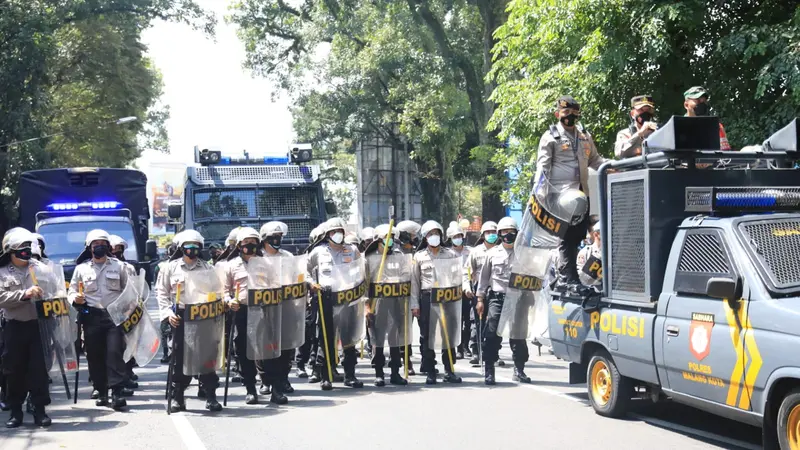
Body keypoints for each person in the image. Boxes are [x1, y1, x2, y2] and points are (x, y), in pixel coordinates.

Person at [534, 95, 605, 292]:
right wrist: (540, 194)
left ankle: (572, 277)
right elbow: (542, 167)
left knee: (577, 237)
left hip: (581, 196)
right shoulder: (550, 137)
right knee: (565, 238)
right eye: (566, 113)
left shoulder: (584, 136)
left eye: (574, 113)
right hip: (560, 196)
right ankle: (567, 278)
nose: (570, 116)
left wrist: (612, 167)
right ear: (558, 114)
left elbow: (596, 160)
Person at [157, 230, 224, 413]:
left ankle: (210, 395)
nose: (192, 249)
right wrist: (166, 314)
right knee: (179, 357)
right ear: (181, 247)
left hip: (204, 316)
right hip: (180, 316)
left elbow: (218, 292)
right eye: (188, 246)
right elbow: (162, 293)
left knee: (207, 357)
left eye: (196, 246)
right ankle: (178, 396)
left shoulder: (208, 268)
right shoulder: (170, 268)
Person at [68, 229, 130, 410]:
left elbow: (129, 292)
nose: (99, 247)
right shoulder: (81, 269)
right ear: (89, 248)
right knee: (94, 355)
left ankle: (117, 391)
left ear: (108, 247)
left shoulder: (119, 267)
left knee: (114, 353)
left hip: (114, 317)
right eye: (96, 245)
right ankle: (101, 390)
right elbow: (71, 291)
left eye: (103, 244)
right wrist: (75, 298)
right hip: (91, 317)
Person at [307, 218, 364, 390]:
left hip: (348, 298)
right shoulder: (318, 252)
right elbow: (306, 271)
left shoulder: (353, 250)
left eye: (340, 231)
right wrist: (311, 284)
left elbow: (361, 271)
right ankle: (326, 376)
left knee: (349, 339)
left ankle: (350, 375)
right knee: (327, 339)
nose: (338, 234)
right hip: (327, 298)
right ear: (327, 234)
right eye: (334, 232)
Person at [0, 229, 49, 427]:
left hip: (39, 327)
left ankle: (40, 411)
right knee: (14, 371)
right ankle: (15, 412)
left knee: (38, 371)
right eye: (22, 247)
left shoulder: (41, 269)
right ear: (11, 250)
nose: (26, 250)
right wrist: (24, 294)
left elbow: (56, 293)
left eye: (28, 247)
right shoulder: (2, 273)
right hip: (14, 328)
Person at [476, 217, 531, 385]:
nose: (508, 234)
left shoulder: (524, 253)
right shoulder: (492, 254)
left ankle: (519, 369)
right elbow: (484, 279)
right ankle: (489, 370)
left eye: (512, 231)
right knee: (492, 334)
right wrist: (480, 299)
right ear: (500, 234)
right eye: (505, 232)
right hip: (497, 299)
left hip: (518, 299)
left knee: (519, 335)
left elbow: (531, 275)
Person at [412, 220, 462, 385]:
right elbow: (415, 283)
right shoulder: (419, 257)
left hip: (447, 298)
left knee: (448, 335)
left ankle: (449, 370)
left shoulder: (451, 255)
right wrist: (415, 305)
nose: (434, 237)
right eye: (430, 234)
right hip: (427, 298)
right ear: (425, 238)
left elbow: (456, 279)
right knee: (428, 336)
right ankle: (431, 370)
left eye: (437, 233)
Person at [364, 224, 409, 387]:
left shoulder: (400, 256)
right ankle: (379, 373)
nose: (389, 241)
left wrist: (396, 280)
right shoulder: (368, 259)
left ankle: (395, 372)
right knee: (378, 339)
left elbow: (406, 274)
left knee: (395, 338)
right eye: (386, 238)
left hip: (396, 302)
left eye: (391, 238)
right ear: (378, 240)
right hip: (378, 303)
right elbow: (364, 285)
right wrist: (366, 307)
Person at [258, 221, 297, 399]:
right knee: (266, 347)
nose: (277, 240)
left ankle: (282, 378)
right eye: (274, 237)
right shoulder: (257, 258)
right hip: (263, 310)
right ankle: (266, 380)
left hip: (286, 308)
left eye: (280, 237)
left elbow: (296, 278)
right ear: (265, 239)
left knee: (286, 347)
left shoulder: (288, 257)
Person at [463, 221, 497, 366]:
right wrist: (467, 287)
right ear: (483, 235)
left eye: (493, 232)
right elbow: (466, 272)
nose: (491, 235)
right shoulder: (475, 252)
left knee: (495, 324)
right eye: (488, 232)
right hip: (479, 291)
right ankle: (476, 352)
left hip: (496, 291)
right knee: (477, 322)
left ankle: (493, 353)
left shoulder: (501, 251)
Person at [395, 220, 421, 374]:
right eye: (412, 235)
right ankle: (403, 360)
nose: (415, 238)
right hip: (398, 295)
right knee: (399, 330)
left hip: (414, 293)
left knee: (408, 330)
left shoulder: (416, 251)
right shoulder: (395, 252)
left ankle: (408, 359)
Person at [446, 224, 471, 360]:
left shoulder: (470, 252)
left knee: (468, 320)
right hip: (453, 291)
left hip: (467, 290)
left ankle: (466, 346)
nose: (458, 239)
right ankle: (459, 347)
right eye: (455, 237)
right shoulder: (447, 254)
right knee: (456, 321)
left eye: (459, 236)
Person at [683, 86, 731, 150]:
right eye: (698, 100)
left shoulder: (716, 126)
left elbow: (725, 153)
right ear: (686, 105)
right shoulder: (678, 127)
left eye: (704, 101)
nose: (702, 104)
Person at [577, 222, 603, 288]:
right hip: (593, 293)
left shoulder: (614, 252)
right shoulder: (586, 252)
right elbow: (583, 279)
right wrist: (598, 257)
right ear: (596, 234)